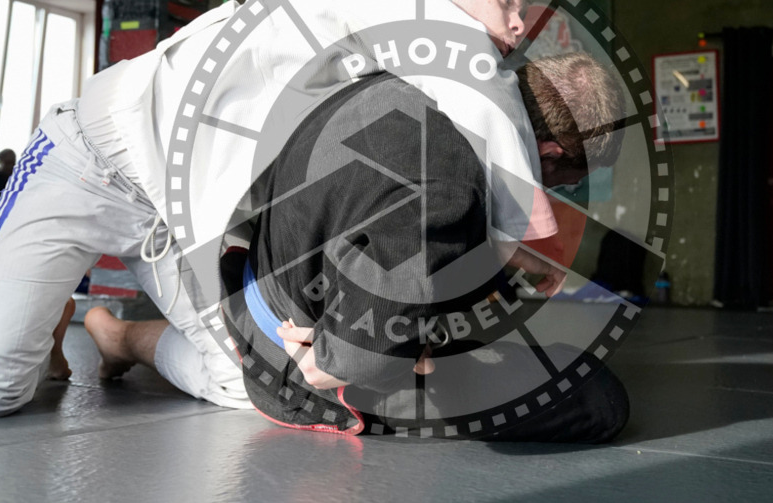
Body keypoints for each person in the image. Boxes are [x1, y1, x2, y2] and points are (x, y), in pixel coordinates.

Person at [0, 0, 563, 418]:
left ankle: (115, 333)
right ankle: (41, 312)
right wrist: (528, 239)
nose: (516, 25)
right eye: (508, 1)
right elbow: (480, 84)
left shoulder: (398, 82)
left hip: (179, 213)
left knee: (254, 382)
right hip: (87, 158)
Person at [89, 52, 632, 442]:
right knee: (594, 394)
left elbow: (375, 206)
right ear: (550, 149)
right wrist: (387, 352)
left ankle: (121, 337)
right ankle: (120, 335)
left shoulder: (412, 80)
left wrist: (492, 257)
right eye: (562, 178)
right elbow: (352, 362)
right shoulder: (446, 191)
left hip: (256, 267)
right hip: (299, 362)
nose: (553, 192)